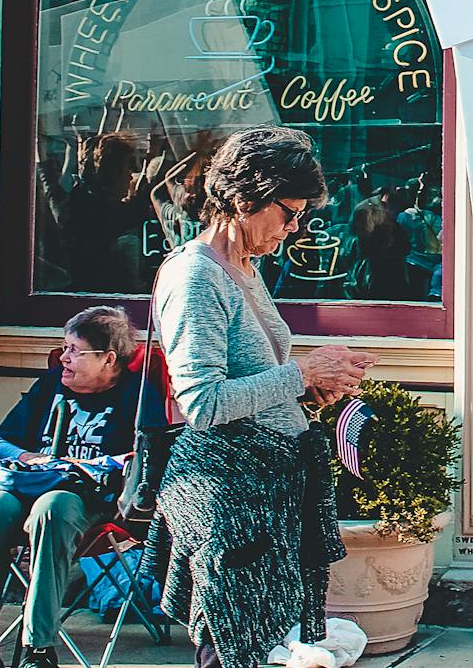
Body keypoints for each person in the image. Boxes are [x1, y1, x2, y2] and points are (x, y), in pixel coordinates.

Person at [146, 127, 375, 668]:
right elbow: (201, 403)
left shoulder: (245, 268)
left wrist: (318, 387)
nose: (295, 228)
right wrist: (301, 373)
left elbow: (258, 384)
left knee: (266, 645)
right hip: (230, 495)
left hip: (267, 486)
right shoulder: (197, 275)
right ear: (245, 197)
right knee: (234, 649)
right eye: (288, 213)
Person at [0, 307, 144, 668]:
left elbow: (142, 458)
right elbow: (3, 440)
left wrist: (80, 467)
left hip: (88, 500)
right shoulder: (52, 383)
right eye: (63, 348)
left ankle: (38, 649)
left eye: (74, 351)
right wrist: (29, 456)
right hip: (27, 487)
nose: (64, 358)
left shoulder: (135, 396)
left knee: (54, 506)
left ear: (108, 359)